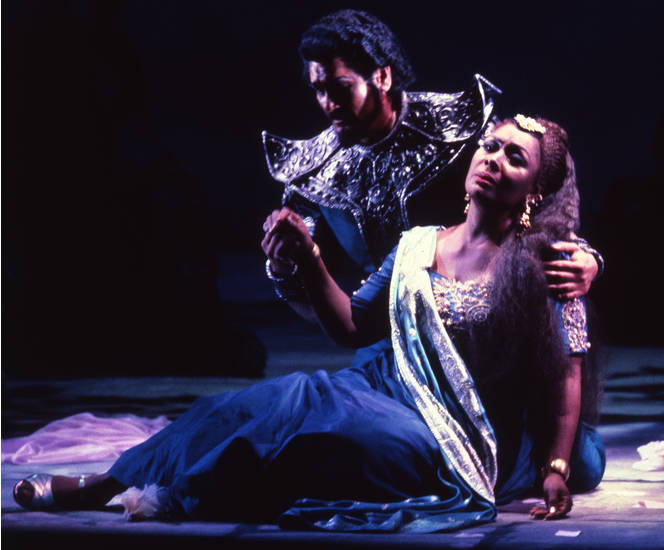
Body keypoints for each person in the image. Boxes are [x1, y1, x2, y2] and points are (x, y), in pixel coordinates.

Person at [13, 115, 605, 533]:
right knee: (261, 404)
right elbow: (351, 327)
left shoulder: (545, 265)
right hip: (378, 390)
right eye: (490, 146)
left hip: (452, 435)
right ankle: (108, 483)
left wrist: (555, 468)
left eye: (514, 157)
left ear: (535, 191)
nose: (493, 159)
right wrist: (309, 259)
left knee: (331, 440)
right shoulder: (417, 246)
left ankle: (176, 494)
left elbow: (565, 375)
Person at [261, 10, 602, 323]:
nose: (329, 104)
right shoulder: (312, 172)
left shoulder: (457, 127)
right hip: (383, 328)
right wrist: (281, 264)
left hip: (481, 319)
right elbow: (312, 293)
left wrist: (584, 256)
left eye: (341, 88)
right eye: (319, 90)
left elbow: (536, 192)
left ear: (382, 76)